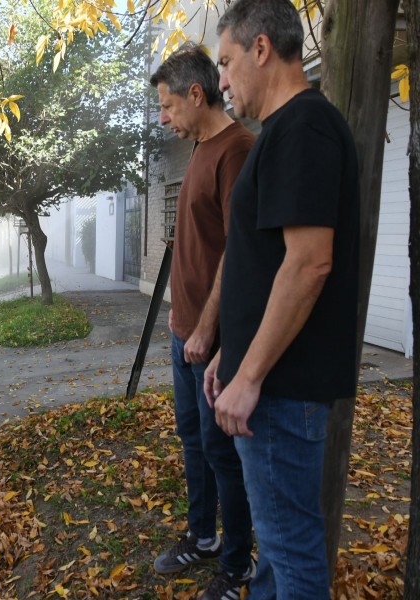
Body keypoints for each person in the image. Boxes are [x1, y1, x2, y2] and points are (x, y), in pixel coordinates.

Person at [205, 0, 360, 597]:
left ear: (261, 48)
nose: (220, 80)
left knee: (293, 555)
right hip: (267, 383)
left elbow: (308, 263)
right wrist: (233, 354)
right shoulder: (283, 132)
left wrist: (250, 377)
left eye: (225, 62)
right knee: (278, 551)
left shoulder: (304, 127)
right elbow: (265, 262)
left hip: (281, 391)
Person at [149, 43, 256, 599]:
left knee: (223, 452)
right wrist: (181, 320)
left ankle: (238, 563)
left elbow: (240, 252)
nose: (164, 118)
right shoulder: (199, 149)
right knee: (193, 440)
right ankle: (203, 536)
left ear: (197, 94)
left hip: (211, 338)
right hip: (182, 329)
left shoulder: (237, 149)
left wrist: (209, 332)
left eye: (168, 106)